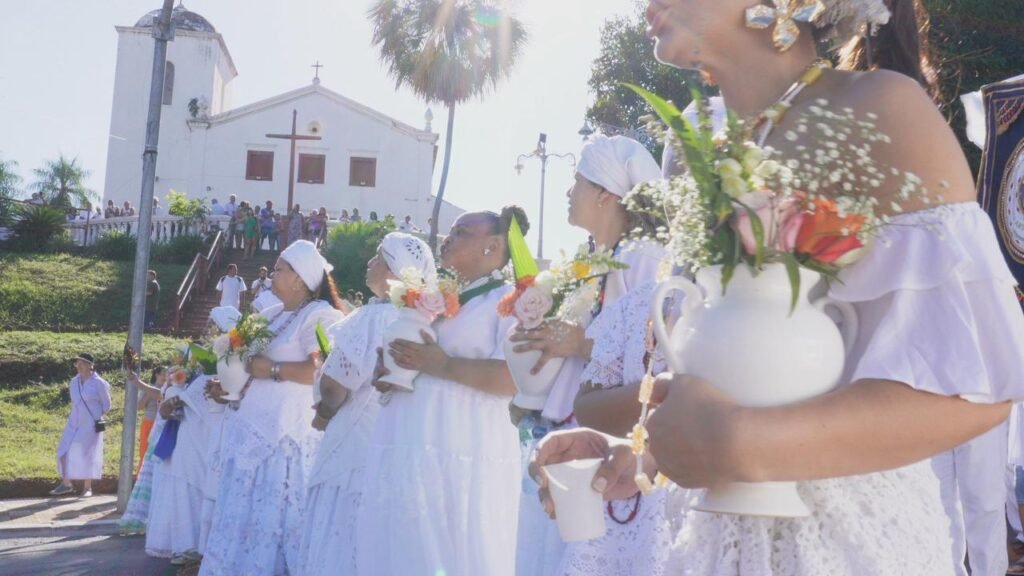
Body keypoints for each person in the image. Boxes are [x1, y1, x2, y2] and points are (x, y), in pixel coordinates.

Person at [535, 1, 1024, 575]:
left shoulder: (878, 107)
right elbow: (751, 369)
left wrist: (741, 443)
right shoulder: (702, 155)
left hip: (847, 547)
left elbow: (980, 389)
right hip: (711, 541)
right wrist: (641, 454)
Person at [510, 135, 666, 576]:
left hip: (609, 443)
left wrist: (577, 343)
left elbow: (653, 353)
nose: (568, 191)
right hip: (564, 432)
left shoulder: (645, 258)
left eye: (576, 180)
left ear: (605, 193)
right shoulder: (589, 260)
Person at [358, 206, 528, 576]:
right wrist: (391, 369)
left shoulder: (512, 302)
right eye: (451, 230)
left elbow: (512, 379)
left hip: (462, 447)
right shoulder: (435, 298)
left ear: (493, 245)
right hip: (408, 441)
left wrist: (441, 364)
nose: (448, 237)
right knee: (403, 543)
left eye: (463, 231)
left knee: (452, 547)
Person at [200, 240, 345, 576]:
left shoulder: (320, 314)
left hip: (284, 440)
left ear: (300, 278)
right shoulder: (271, 315)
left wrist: (273, 371)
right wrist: (232, 386)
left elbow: (322, 370)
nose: (272, 275)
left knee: (278, 525)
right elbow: (248, 365)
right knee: (241, 521)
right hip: (249, 432)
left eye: (280, 268)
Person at [299, 232, 434, 576]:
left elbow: (335, 387)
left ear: (393, 272)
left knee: (342, 540)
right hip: (400, 449)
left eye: (377, 257)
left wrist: (324, 412)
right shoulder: (428, 322)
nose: (370, 263)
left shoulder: (371, 319)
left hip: (354, 452)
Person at [145, 365, 211, 566]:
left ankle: (201, 544)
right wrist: (176, 398)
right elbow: (166, 410)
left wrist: (179, 398)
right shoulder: (189, 378)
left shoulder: (206, 378)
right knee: (181, 491)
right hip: (182, 439)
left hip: (202, 437)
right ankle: (185, 544)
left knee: (198, 489)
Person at [50, 353, 112, 498]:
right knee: (63, 450)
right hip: (74, 422)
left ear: (91, 365)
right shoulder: (73, 382)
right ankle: (66, 484)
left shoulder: (99, 383)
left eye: (83, 363)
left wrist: (94, 416)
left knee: (88, 453)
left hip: (91, 424)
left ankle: (87, 488)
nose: (79, 366)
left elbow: (107, 405)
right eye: (77, 363)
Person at [131, 367, 166, 477]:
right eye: (163, 374)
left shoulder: (168, 389)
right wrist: (149, 393)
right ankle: (140, 478)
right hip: (149, 422)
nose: (165, 377)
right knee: (145, 451)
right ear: (156, 375)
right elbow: (139, 406)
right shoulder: (147, 388)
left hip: (162, 424)